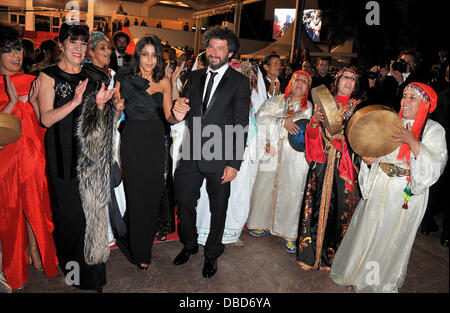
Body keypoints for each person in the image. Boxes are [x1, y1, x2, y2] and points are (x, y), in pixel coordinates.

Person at [329, 82, 448, 293]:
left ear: (426, 104)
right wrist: (368, 159)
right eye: (404, 95)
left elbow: (435, 166)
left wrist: (412, 141)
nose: (405, 100)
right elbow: (376, 148)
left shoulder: (433, 130)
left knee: (390, 238)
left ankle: (375, 283)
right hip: (380, 184)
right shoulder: (391, 121)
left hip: (405, 194)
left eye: (412, 97)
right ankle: (356, 274)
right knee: (368, 232)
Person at [37, 23, 117, 292]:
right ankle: (72, 273)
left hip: (89, 159)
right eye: (73, 42)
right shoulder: (48, 77)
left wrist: (104, 105)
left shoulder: (93, 76)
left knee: (90, 218)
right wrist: (73, 102)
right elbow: (46, 119)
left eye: (83, 44)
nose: (79, 49)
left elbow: (101, 122)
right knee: (69, 219)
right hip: (61, 157)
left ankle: (92, 279)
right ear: (60, 44)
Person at [171, 26, 250, 278]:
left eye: (219, 48)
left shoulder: (239, 82)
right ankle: (190, 244)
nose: (213, 52)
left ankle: (212, 253)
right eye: (211, 47)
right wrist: (177, 107)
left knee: (219, 208)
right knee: (183, 200)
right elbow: (182, 110)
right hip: (191, 151)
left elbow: (241, 124)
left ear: (230, 53)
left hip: (221, 155)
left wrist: (234, 163)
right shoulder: (193, 77)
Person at [0, 21, 59, 290]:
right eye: (8, 50)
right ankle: (14, 263)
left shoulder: (33, 80)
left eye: (18, 50)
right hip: (5, 161)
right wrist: (12, 104)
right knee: (10, 210)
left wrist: (33, 103)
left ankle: (36, 249)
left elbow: (42, 122)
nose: (16, 56)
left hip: (32, 155)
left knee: (35, 205)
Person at [114, 34, 179, 270]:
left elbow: (169, 116)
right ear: (138, 55)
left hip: (155, 140)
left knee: (152, 195)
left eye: (154, 55)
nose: (150, 60)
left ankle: (144, 247)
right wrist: (117, 106)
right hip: (132, 139)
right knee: (135, 192)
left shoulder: (164, 81)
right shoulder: (124, 77)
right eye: (145, 54)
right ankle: (138, 249)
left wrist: (177, 115)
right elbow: (116, 107)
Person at [194, 58, 267, 247]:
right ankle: (206, 230)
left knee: (238, 192)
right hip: (217, 150)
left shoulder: (254, 98)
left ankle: (230, 231)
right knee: (212, 191)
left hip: (243, 151)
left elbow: (255, 121)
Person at [296, 67, 361, 271]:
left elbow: (363, 140)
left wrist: (344, 140)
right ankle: (309, 255)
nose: (349, 82)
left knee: (340, 210)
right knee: (314, 207)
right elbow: (312, 134)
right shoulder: (324, 102)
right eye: (345, 78)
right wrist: (314, 120)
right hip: (322, 163)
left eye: (352, 79)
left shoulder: (359, 109)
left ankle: (331, 259)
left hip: (345, 166)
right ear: (338, 81)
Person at [246, 70, 313, 253]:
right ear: (290, 82)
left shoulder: (309, 107)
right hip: (272, 149)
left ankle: (289, 233)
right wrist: (282, 121)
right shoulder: (277, 100)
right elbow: (260, 117)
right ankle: (260, 222)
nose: (299, 83)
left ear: (308, 87)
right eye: (297, 79)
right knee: (264, 186)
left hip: (296, 157)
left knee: (292, 192)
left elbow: (310, 129)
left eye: (304, 82)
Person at [86, 31, 127, 247]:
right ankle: (103, 232)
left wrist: (118, 108)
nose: (108, 51)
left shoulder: (112, 73)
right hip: (94, 135)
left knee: (113, 181)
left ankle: (113, 228)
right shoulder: (85, 74)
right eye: (102, 47)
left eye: (108, 48)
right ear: (90, 51)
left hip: (112, 132)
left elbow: (117, 104)